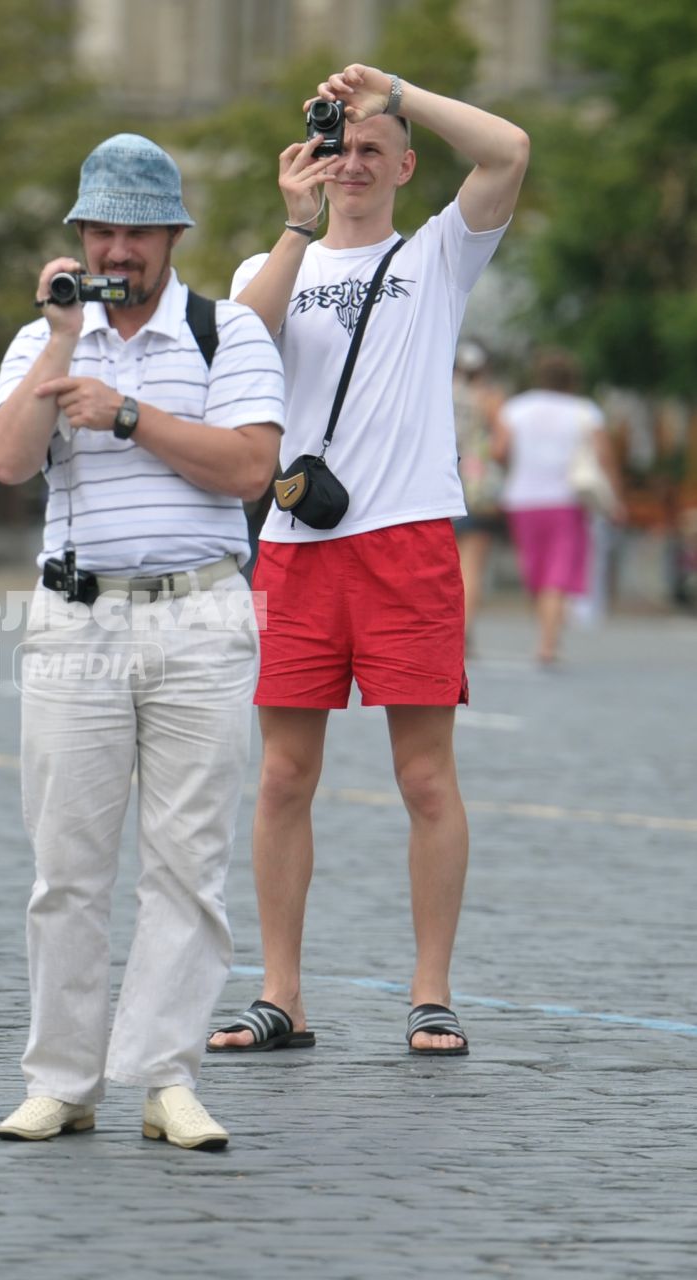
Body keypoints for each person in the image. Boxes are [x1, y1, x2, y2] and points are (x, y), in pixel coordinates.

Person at [212, 64, 529, 1058]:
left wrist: (393, 90)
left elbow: (509, 149)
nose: (349, 163)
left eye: (367, 150)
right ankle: (280, 994)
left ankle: (428, 991)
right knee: (279, 778)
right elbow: (241, 339)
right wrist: (293, 222)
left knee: (425, 777)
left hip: (406, 537)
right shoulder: (276, 260)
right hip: (295, 547)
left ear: (400, 164)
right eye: (334, 147)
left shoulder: (435, 255)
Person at [0, 134, 285, 1149]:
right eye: (99, 228)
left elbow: (248, 466)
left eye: (136, 230)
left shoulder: (226, 330)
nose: (117, 248)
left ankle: (164, 1074)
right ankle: (60, 1077)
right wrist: (64, 343)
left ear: (170, 236)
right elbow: (4, 461)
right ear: (77, 235)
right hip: (74, 616)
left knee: (186, 862)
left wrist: (124, 416)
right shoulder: (42, 342)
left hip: (198, 613)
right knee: (64, 862)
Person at [492, 348, 619, 665]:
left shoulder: (516, 408)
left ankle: (546, 631)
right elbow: (604, 456)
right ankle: (548, 642)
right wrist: (615, 496)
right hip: (567, 499)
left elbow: (499, 451)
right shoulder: (585, 410)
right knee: (559, 568)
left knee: (535, 566)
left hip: (522, 499)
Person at [452, 342, 505, 645]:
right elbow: (501, 445)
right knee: (471, 565)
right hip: (475, 486)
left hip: (437, 482)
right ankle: (463, 633)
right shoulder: (489, 398)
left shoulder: (440, 391)